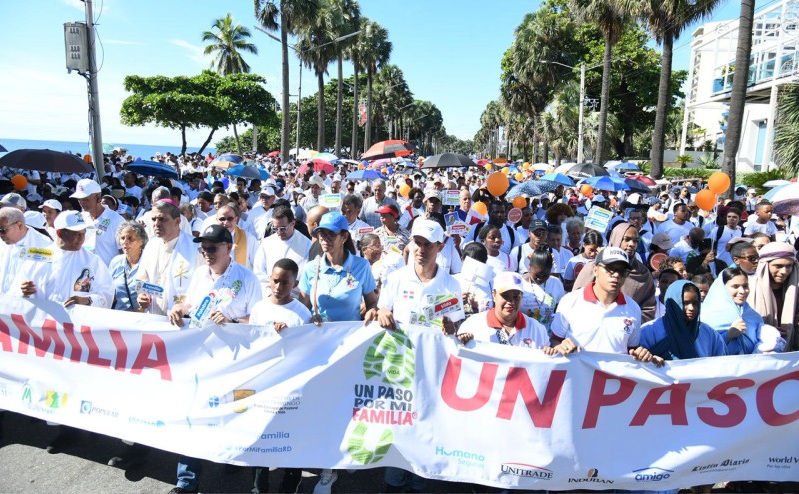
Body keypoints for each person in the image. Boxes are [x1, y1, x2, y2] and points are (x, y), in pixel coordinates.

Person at [371, 218, 465, 493]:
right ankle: (394, 481)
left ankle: (419, 481)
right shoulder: (397, 278)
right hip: (399, 367)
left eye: (428, 245)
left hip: (433, 370)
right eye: (417, 243)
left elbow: (456, 325)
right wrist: (382, 312)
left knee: (425, 427)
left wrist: (452, 327)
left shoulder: (451, 285)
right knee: (398, 426)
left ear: (441, 246)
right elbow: (382, 309)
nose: (421, 249)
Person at [296, 211, 377, 494]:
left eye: (331, 234)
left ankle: (344, 455)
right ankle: (329, 466)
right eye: (321, 234)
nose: (325, 239)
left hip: (352, 349)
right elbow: (303, 307)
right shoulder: (310, 269)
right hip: (320, 350)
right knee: (323, 407)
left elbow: (371, 303)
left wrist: (375, 311)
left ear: (345, 236)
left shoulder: (361, 266)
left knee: (348, 407)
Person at [551, 247, 663, 366]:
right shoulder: (570, 301)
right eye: (610, 269)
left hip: (612, 382)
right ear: (595, 270)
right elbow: (555, 340)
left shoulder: (633, 308)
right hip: (577, 379)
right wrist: (560, 346)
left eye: (622, 271)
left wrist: (643, 355)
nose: (616, 275)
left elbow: (632, 350)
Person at [572, 221, 658, 323]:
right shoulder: (595, 267)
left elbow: (648, 309)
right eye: (627, 239)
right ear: (616, 239)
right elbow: (575, 301)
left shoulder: (643, 274)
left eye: (635, 241)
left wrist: (628, 324)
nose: (631, 244)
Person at [137, 200, 201, 317]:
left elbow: (202, 286)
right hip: (154, 315)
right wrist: (141, 296)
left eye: (162, 219)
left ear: (177, 221)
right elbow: (142, 278)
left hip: (183, 318)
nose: (156, 223)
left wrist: (185, 307)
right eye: (153, 219)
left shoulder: (195, 248)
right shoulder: (151, 245)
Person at [701, 266, 784, 355]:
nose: (742, 291)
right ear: (722, 289)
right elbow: (704, 348)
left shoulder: (753, 315)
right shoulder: (706, 315)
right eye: (735, 286)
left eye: (745, 286)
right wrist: (728, 335)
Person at [458, 271, 550, 348]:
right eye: (505, 296)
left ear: (522, 297)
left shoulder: (537, 329)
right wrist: (462, 343)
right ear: (494, 295)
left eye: (516, 297)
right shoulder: (473, 325)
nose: (511, 301)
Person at [641, 280, 727, 360]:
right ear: (672, 304)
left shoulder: (709, 334)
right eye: (685, 303)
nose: (691, 308)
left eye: (695, 303)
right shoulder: (649, 332)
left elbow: (720, 366)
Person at [747, 242, 799, 351]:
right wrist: (767, 332)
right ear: (765, 265)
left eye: (789, 266)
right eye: (778, 266)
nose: (784, 272)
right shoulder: (747, 289)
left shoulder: (796, 291)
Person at [253, 205, 312, 297]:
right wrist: (270, 293)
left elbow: (307, 275)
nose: (279, 232)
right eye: (275, 228)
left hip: (295, 297)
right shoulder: (266, 243)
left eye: (283, 228)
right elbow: (259, 272)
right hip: (270, 296)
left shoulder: (307, 245)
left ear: (292, 223)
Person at [71, 178, 125, 265]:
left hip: (109, 275)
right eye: (79, 199)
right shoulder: (80, 218)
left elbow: (124, 252)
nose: (82, 203)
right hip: (86, 275)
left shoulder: (117, 220)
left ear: (98, 197)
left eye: (85, 199)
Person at [0, 206, 52, 293]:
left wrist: (31, 288)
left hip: (27, 302)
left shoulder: (44, 246)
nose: (0, 234)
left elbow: (47, 279)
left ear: (19, 225)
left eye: (2, 230)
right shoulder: (2, 242)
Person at [522, 246, 565, 333]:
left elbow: (559, 312)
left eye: (545, 275)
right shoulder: (520, 283)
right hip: (524, 334)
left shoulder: (556, 283)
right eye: (537, 275)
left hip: (547, 336)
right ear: (530, 267)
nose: (540, 278)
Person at [108, 221, 148, 311]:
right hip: (120, 318)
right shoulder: (115, 262)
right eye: (122, 238)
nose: (125, 242)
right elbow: (109, 291)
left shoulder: (149, 262)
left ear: (141, 241)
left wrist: (141, 310)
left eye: (130, 238)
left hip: (143, 319)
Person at [216, 202, 259, 270]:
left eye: (230, 219)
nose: (226, 222)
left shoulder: (249, 238)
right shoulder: (210, 238)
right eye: (222, 219)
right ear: (216, 220)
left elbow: (257, 266)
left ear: (236, 219)